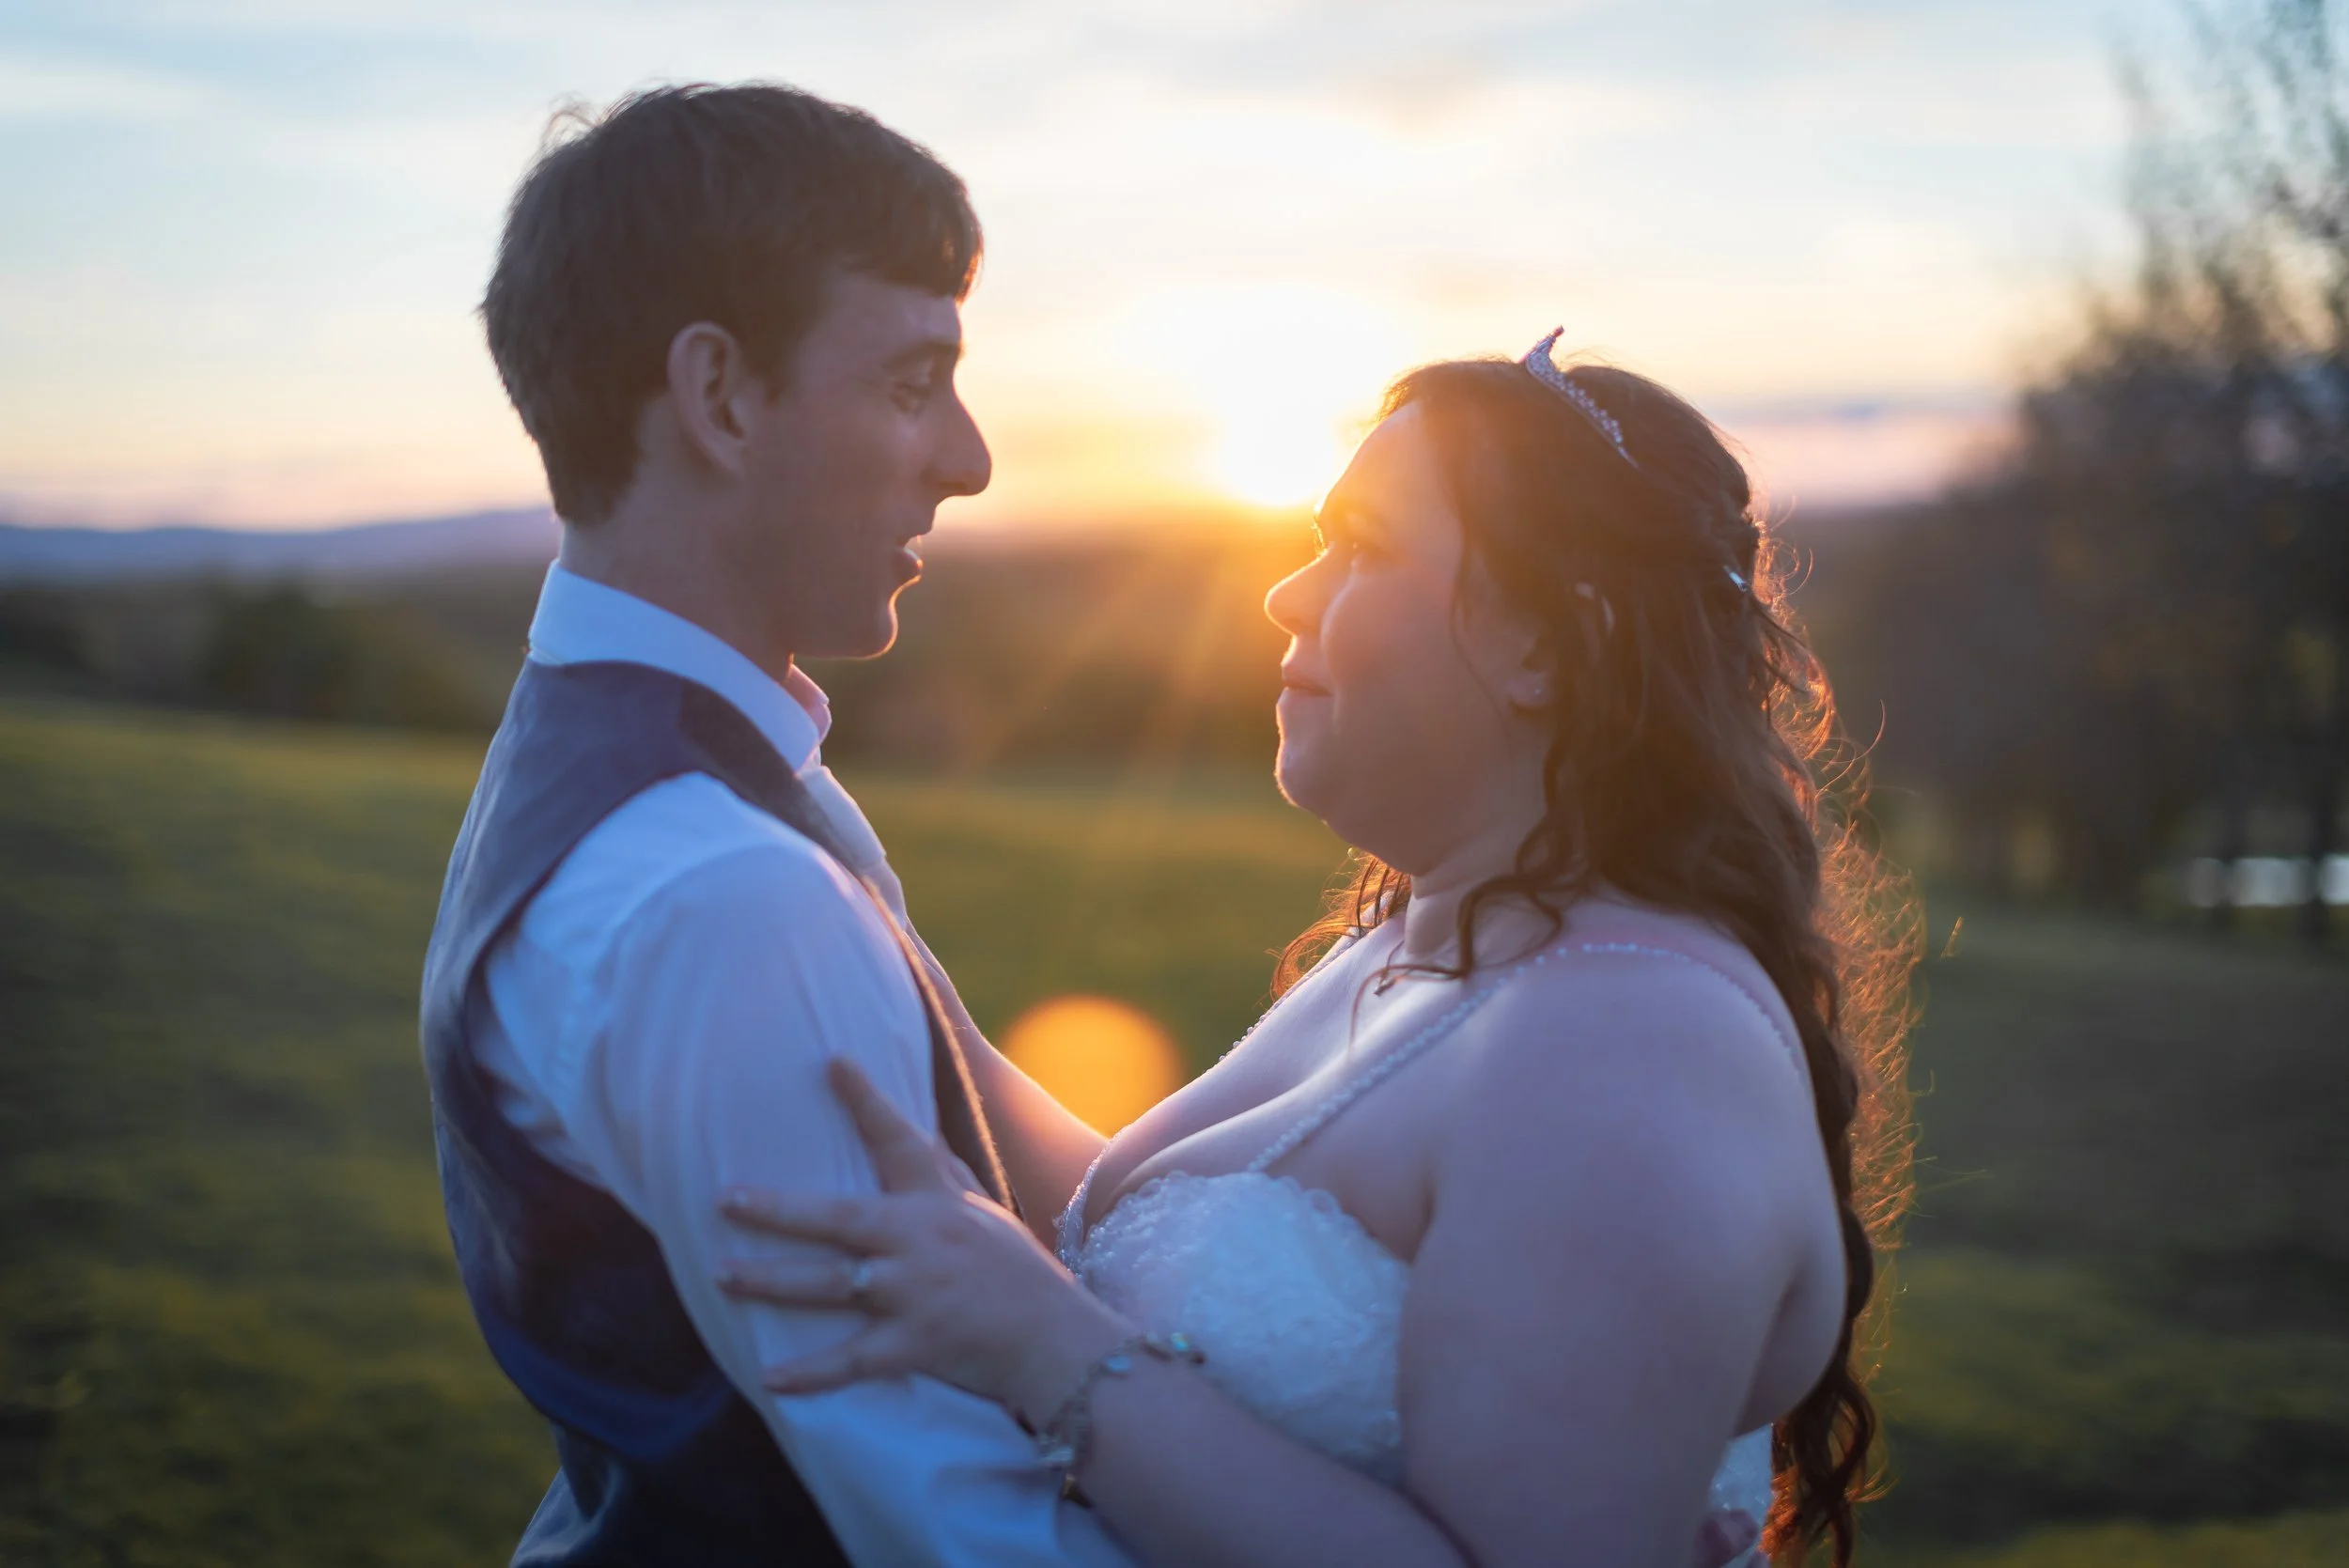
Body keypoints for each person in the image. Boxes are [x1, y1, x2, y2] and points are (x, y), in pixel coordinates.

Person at [711, 336, 1915, 1567]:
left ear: (1545, 649)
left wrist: (1050, 1354)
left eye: (1366, 549)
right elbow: (1140, 1220)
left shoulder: (1632, 1047)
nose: (1290, 593)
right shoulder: (1424, 942)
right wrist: (861, 906)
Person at [419, 83, 1137, 1564]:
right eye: (910, 380)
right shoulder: (717, 894)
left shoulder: (665, 757)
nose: (970, 456)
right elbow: (965, 1527)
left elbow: (1031, 1158)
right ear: (722, 398)